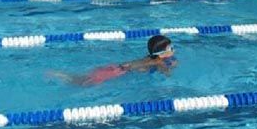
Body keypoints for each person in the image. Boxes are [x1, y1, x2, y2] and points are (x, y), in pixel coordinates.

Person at [49, 35, 177, 86]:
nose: (173, 49)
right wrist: (171, 68)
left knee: (82, 79)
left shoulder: (150, 58)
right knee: (81, 84)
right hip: (115, 73)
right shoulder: (158, 62)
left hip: (116, 67)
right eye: (171, 47)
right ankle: (60, 75)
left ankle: (62, 75)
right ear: (162, 53)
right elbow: (167, 74)